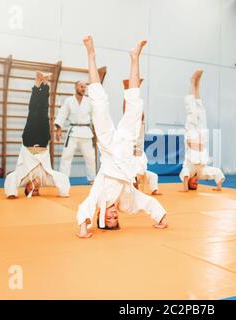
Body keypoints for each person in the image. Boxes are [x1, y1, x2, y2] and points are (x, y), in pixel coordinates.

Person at [77, 36, 167, 239]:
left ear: (100, 215)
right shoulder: (127, 202)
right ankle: (135, 56)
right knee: (135, 104)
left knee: (99, 101)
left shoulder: (99, 197)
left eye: (109, 218)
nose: (114, 215)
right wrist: (160, 217)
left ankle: (91, 53)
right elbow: (146, 203)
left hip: (108, 149)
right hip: (125, 150)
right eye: (116, 219)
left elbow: (85, 206)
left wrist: (84, 229)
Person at [4, 71, 70, 199]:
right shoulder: (45, 179)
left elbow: (10, 179)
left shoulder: (23, 177)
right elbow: (62, 179)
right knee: (44, 112)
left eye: (31, 190)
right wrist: (64, 193)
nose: (35, 187)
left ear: (26, 188)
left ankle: (36, 82)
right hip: (43, 141)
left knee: (33, 112)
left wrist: (12, 193)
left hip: (29, 141)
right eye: (36, 191)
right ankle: (45, 83)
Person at [179, 69, 225, 192]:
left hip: (192, 135)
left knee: (192, 111)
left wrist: (185, 189)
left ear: (188, 182)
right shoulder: (202, 172)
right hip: (202, 137)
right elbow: (216, 172)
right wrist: (218, 187)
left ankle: (192, 82)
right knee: (201, 110)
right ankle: (197, 83)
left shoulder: (188, 169)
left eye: (193, 184)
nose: (196, 183)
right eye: (197, 185)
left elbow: (184, 175)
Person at [122, 79, 162, 196]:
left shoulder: (129, 174)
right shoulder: (133, 176)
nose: (136, 186)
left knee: (130, 115)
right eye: (136, 187)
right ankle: (132, 88)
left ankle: (129, 89)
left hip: (132, 146)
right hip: (136, 146)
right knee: (131, 115)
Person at [54, 81, 96, 184]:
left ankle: (92, 179)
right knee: (66, 157)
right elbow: (62, 114)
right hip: (73, 132)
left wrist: (96, 132)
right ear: (75, 87)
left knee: (90, 158)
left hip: (86, 132)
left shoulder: (89, 101)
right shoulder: (69, 101)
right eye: (81, 86)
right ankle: (63, 180)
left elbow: (94, 117)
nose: (83, 89)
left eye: (84, 87)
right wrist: (58, 130)